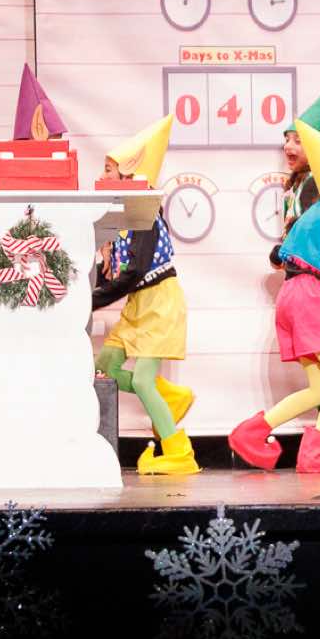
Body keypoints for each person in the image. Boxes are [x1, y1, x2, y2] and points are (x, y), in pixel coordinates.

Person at [229, 118, 320, 475]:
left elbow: (281, 255)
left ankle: (251, 433)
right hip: (314, 300)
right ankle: (316, 453)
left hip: (291, 299)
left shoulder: (310, 214)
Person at [92, 116, 198, 474]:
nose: (102, 175)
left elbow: (136, 270)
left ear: (128, 175)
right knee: (104, 366)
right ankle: (170, 396)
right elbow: (118, 272)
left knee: (140, 379)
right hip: (139, 303)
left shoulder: (146, 214)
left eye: (109, 169)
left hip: (160, 301)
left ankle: (179, 453)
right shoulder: (121, 218)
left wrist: (94, 300)